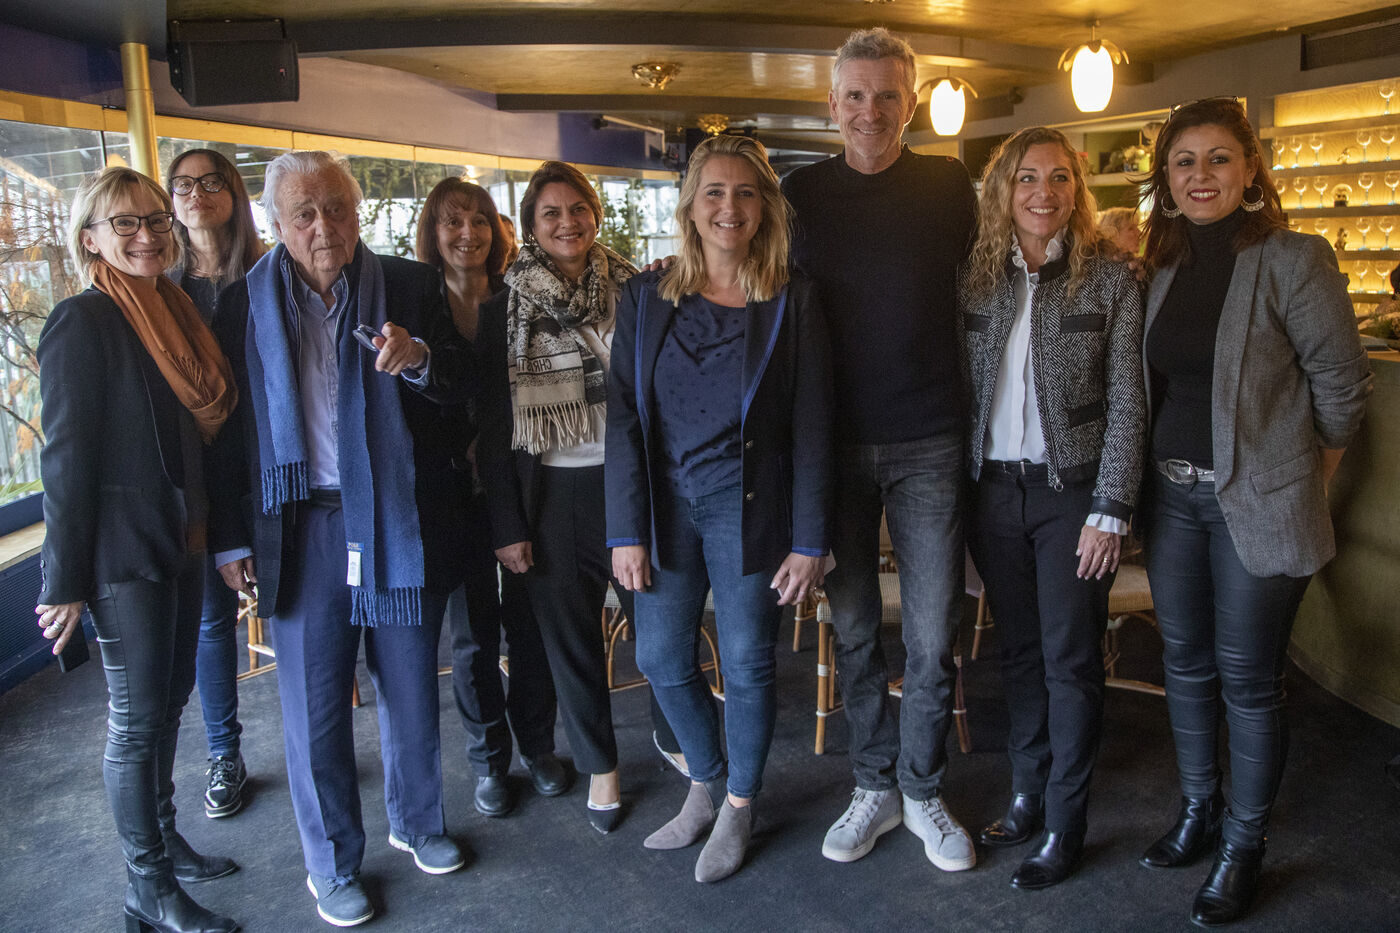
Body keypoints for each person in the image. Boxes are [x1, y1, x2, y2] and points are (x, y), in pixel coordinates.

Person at [207, 151, 472, 927]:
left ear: (356, 212)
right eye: (304, 213)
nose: (324, 226)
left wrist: (420, 359)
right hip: (301, 522)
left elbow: (464, 388)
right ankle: (330, 863)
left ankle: (418, 821)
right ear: (275, 224)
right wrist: (230, 539)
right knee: (316, 705)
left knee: (412, 687)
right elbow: (226, 439)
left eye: (337, 208)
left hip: (396, 518)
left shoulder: (411, 285)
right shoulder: (239, 305)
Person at [1137, 97, 1371, 926]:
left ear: (1250, 171)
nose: (1201, 175)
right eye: (1184, 161)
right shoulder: (1161, 264)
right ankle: (1199, 810)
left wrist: (1306, 480)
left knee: (1247, 678)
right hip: (1172, 498)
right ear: (1166, 179)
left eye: (1218, 159)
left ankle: (1244, 844)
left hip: (1258, 506)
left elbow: (1343, 388)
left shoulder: (1293, 259)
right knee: (1184, 663)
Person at [606, 135, 834, 882]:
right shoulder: (646, 297)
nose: (729, 207)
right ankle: (706, 779)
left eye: (745, 193)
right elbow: (624, 417)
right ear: (690, 206)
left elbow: (813, 424)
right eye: (714, 192)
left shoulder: (793, 298)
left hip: (748, 506)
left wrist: (810, 539)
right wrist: (625, 529)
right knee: (658, 656)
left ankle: (740, 803)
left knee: (746, 660)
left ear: (765, 206)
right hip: (666, 506)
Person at [780, 26, 979, 870]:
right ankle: (874, 783)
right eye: (855, 96)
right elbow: (758, 290)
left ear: (912, 102)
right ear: (833, 105)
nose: (871, 110)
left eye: (887, 95)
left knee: (932, 637)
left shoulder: (948, 186)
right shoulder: (799, 194)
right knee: (855, 629)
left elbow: (991, 284)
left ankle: (922, 788)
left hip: (930, 437)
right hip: (833, 444)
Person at [36, 166, 240, 933]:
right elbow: (64, 459)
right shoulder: (81, 320)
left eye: (156, 219)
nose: (147, 234)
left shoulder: (175, 307)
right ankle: (146, 887)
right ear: (91, 238)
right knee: (135, 721)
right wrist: (63, 581)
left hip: (182, 536)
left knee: (170, 702)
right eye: (125, 223)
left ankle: (163, 838)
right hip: (123, 554)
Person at [961, 127, 1146, 888]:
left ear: (1078, 188)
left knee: (1071, 659)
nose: (1045, 192)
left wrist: (1111, 507)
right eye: (1028, 177)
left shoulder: (1111, 278)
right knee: (1019, 653)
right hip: (992, 493)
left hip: (1073, 495)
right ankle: (1027, 790)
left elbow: (1130, 399)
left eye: (1060, 177)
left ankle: (1067, 822)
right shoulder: (975, 277)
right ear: (1004, 189)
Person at [477, 160, 639, 834]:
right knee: (571, 647)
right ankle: (601, 764)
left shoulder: (637, 289)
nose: (568, 222)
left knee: (659, 632)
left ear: (595, 215)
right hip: (551, 498)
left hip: (631, 486)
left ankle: (678, 740)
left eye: (578, 209)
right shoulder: (504, 308)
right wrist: (507, 525)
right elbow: (493, 431)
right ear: (531, 227)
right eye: (551, 213)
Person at [414, 177, 565, 817]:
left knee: (530, 626)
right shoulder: (419, 304)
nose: (468, 233)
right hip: (452, 494)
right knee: (473, 636)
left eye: (480, 220)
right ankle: (488, 761)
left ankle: (538, 745)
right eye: (453, 221)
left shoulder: (517, 296)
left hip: (522, 484)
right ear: (433, 231)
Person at [166, 147, 265, 821]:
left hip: (263, 469)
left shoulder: (266, 276)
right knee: (210, 622)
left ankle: (321, 742)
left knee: (306, 611)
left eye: (210, 182)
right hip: (193, 478)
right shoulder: (158, 289)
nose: (196, 194)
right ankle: (224, 753)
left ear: (233, 193)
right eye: (182, 185)